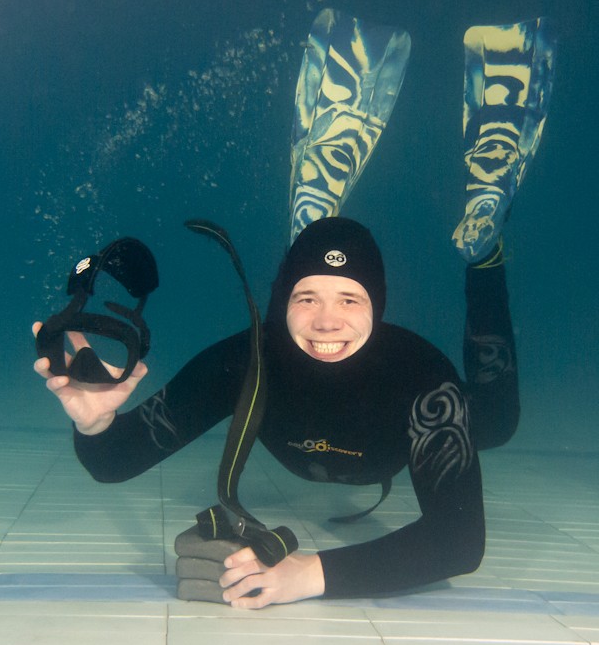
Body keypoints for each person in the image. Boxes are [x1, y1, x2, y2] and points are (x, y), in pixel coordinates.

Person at [33, 214, 519, 609]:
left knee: (496, 422)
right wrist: (95, 424)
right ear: (282, 300)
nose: (327, 321)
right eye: (307, 298)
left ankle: (485, 263)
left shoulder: (422, 377)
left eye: (349, 298)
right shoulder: (243, 362)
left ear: (379, 304)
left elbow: (459, 541)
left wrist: (307, 574)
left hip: (398, 446)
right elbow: (113, 461)